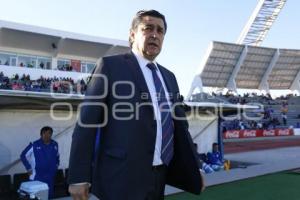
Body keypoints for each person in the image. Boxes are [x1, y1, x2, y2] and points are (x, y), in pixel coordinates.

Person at [68, 9, 204, 200]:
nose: (155, 34)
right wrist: (78, 176)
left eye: (160, 30)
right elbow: (86, 124)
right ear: (132, 34)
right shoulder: (110, 66)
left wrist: (195, 165)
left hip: (159, 176)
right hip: (120, 179)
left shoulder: (169, 77)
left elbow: (180, 126)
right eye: (148, 28)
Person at [20, 126, 60, 198]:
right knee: (37, 197)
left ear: (51, 134)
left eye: (49, 133)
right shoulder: (34, 144)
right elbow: (23, 155)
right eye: (44, 133)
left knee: (49, 196)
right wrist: (28, 168)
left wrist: (56, 166)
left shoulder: (55, 144)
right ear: (41, 134)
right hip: (37, 177)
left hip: (50, 176)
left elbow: (57, 156)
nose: (47, 135)